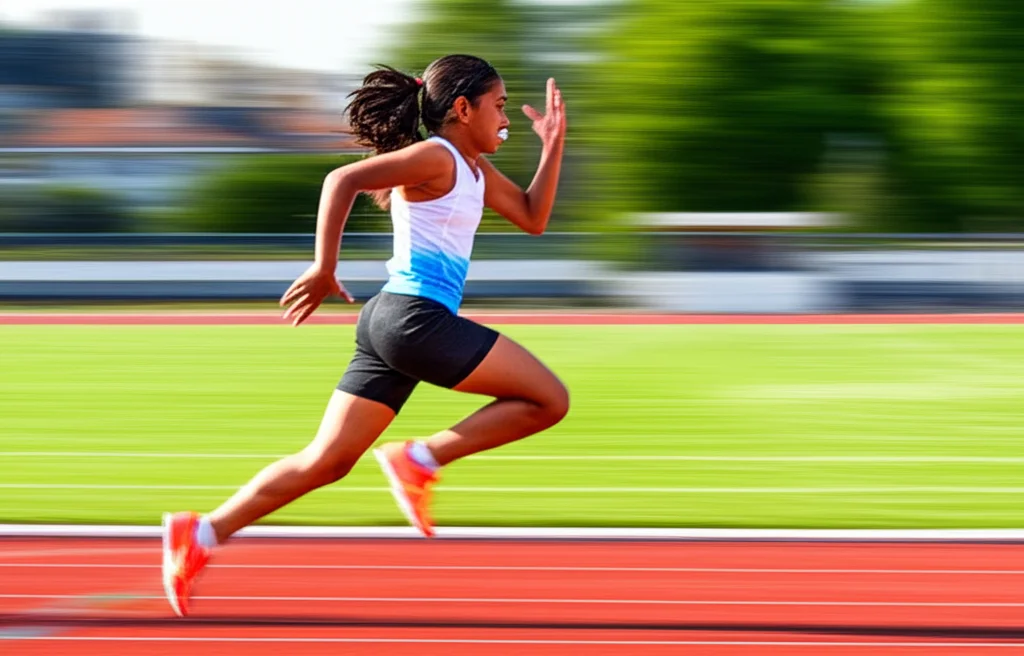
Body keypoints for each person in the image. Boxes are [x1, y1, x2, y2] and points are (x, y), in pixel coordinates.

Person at [161, 54, 570, 617]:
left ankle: (203, 532)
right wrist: (324, 266)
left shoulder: (474, 170)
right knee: (548, 399)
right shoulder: (438, 155)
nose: (504, 119)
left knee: (327, 462)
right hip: (415, 320)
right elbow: (343, 178)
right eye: (498, 106)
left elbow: (533, 217)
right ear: (461, 108)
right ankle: (420, 458)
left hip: (391, 323)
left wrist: (552, 145)